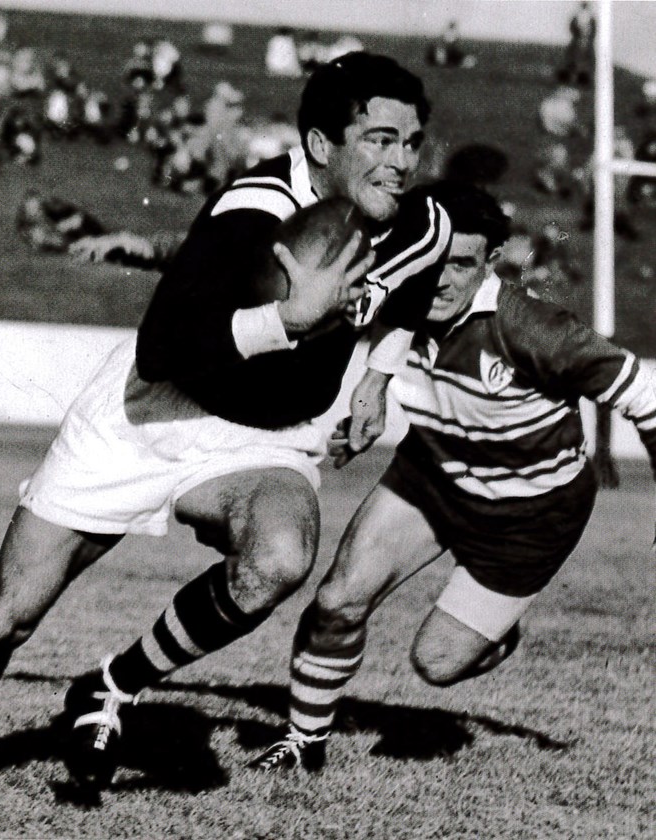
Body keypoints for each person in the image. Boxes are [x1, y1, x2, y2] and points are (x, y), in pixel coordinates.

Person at [0, 51, 452, 794]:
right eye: (380, 140)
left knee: (279, 559)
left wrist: (376, 381)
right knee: (2, 621)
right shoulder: (253, 208)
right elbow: (162, 347)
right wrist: (286, 321)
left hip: (265, 438)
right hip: (152, 413)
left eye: (411, 142)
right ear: (321, 145)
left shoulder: (421, 220)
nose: (401, 162)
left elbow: (416, 281)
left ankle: (109, 685)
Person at [249, 181, 656, 772]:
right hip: (432, 475)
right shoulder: (392, 293)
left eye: (461, 264)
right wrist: (371, 390)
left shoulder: (533, 329)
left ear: (492, 262)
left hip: (531, 513)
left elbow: (648, 396)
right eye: (432, 260)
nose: (440, 280)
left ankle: (495, 630)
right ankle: (303, 742)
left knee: (436, 664)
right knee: (337, 600)